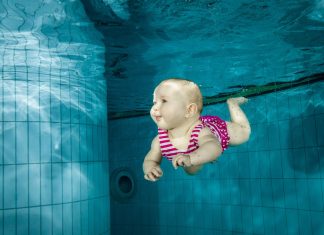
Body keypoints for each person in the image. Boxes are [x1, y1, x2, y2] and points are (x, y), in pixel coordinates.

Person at [143, 78, 251, 182]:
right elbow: (150, 160)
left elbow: (215, 147)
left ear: (189, 110)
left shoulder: (201, 132)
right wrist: (150, 169)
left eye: (164, 101)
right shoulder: (159, 141)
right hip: (192, 154)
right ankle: (203, 157)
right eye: (154, 102)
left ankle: (232, 104)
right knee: (191, 171)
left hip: (219, 131)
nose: (155, 108)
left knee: (244, 134)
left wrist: (191, 158)